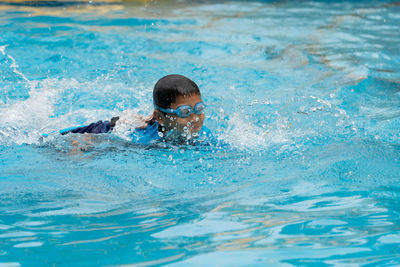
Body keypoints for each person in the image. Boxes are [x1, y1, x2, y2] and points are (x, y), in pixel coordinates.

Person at [48, 74, 219, 146]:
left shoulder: (203, 134)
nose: (196, 118)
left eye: (199, 109)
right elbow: (103, 144)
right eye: (184, 113)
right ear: (160, 117)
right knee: (48, 141)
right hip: (107, 129)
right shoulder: (138, 139)